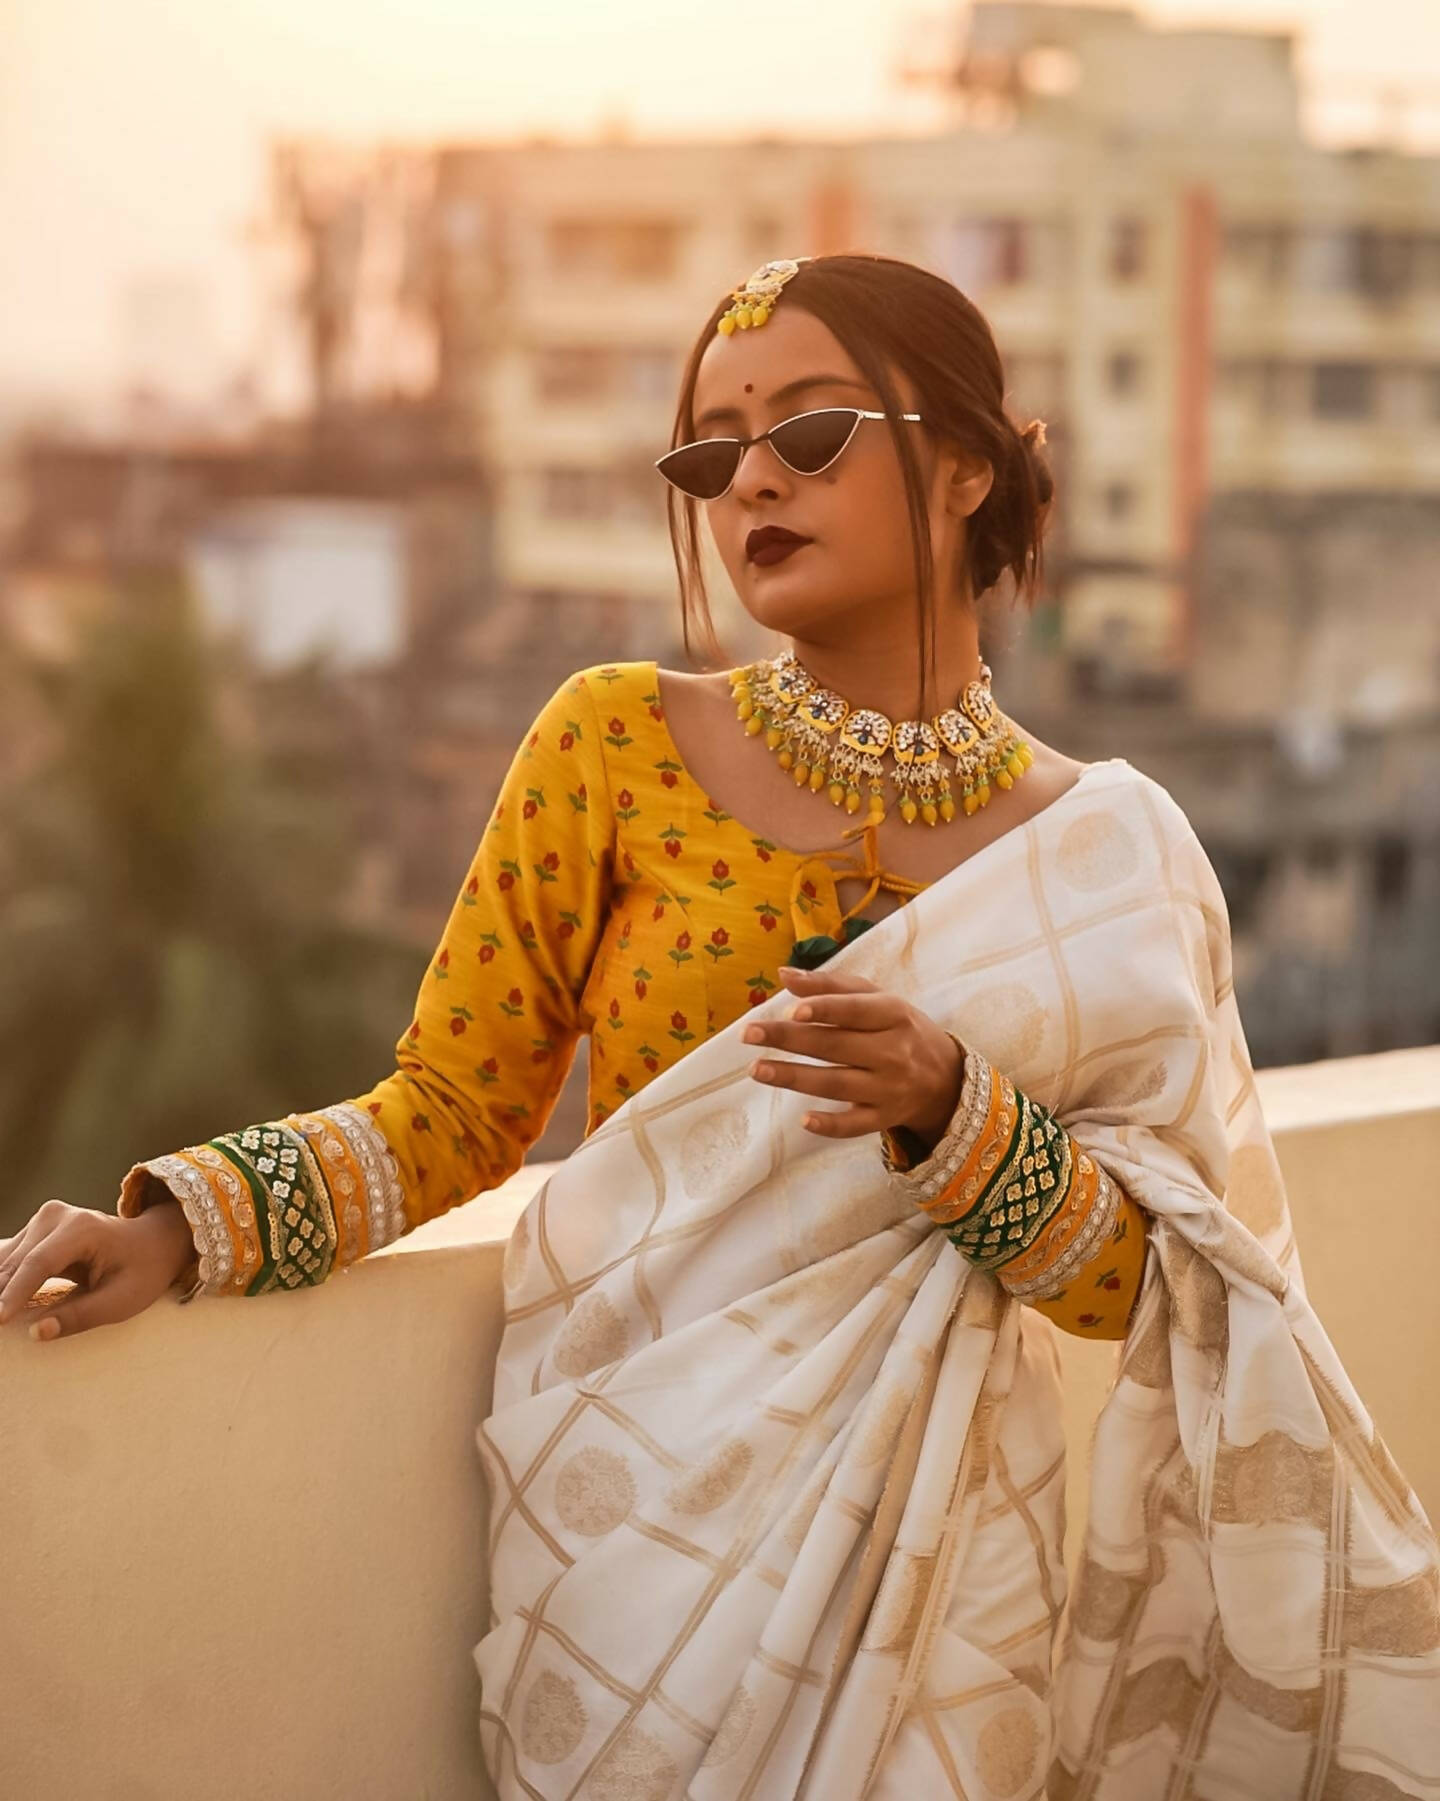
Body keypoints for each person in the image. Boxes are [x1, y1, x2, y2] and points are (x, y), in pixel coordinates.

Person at [3, 254, 1437, 1796]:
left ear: (965, 467)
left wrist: (958, 1114)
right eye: (712, 452)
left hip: (938, 1578)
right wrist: (188, 1221)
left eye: (809, 431)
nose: (751, 479)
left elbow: (1154, 1292)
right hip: (633, 1537)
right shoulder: (615, 746)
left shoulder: (1105, 854)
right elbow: (449, 1114)